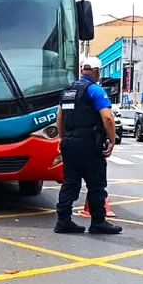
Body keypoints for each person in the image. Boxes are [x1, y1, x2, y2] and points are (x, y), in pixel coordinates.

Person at [53, 57, 122, 234]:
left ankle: (63, 221)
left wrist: (64, 138)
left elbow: (59, 117)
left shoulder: (67, 91)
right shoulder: (95, 91)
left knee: (70, 183)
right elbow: (107, 118)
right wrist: (112, 140)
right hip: (89, 144)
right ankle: (98, 222)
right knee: (96, 184)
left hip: (69, 142)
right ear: (97, 72)